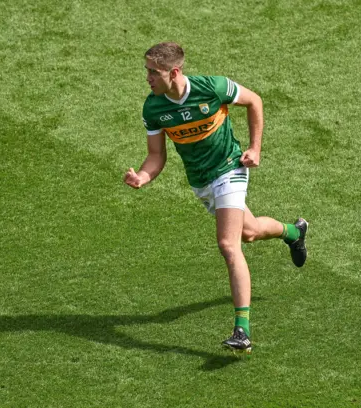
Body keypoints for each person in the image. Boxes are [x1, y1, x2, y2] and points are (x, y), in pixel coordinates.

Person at [124, 42, 308, 354]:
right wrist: (143, 176)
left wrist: (255, 148)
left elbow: (254, 101)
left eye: (153, 72)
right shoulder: (153, 108)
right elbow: (156, 156)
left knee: (228, 244)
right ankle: (294, 231)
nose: (147, 78)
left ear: (175, 72)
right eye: (147, 71)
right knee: (248, 232)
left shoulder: (212, 88)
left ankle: (242, 330)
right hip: (201, 181)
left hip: (230, 168)